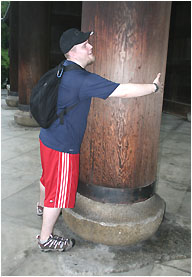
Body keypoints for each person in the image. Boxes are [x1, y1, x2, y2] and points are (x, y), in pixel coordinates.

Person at [36, 28, 162, 252]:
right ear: (73, 52)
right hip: (63, 147)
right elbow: (121, 91)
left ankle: (40, 207)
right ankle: (46, 238)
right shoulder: (81, 79)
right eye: (85, 45)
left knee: (47, 179)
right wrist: (153, 87)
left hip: (47, 137)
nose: (91, 47)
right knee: (58, 193)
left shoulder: (62, 69)